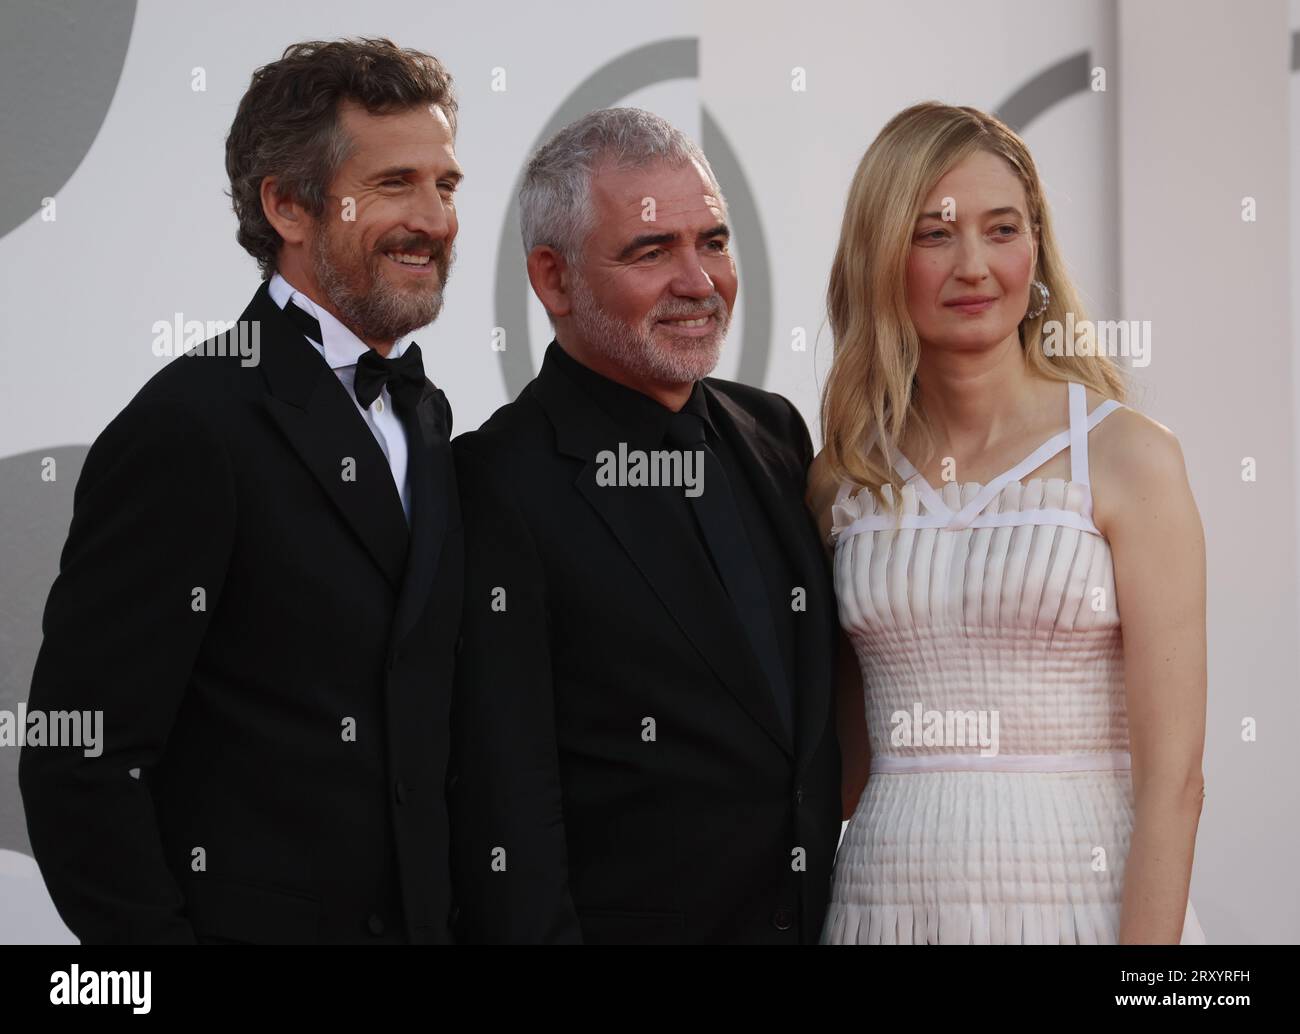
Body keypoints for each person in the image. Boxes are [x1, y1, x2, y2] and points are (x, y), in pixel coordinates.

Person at [19, 38, 464, 944]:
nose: (437, 219)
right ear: (288, 206)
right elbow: (79, 760)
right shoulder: (190, 425)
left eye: (446, 185)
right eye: (394, 186)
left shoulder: (428, 414)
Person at [808, 101, 1207, 944]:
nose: (974, 266)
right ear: (881, 253)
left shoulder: (1131, 459)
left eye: (1002, 230)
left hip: (1080, 907)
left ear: (1037, 247)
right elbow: (840, 766)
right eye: (934, 233)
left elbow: (1174, 779)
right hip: (884, 907)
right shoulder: (844, 475)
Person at [449, 107, 840, 944]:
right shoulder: (496, 483)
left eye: (714, 241)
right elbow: (508, 805)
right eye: (652, 250)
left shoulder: (776, 433)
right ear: (553, 279)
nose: (700, 282)